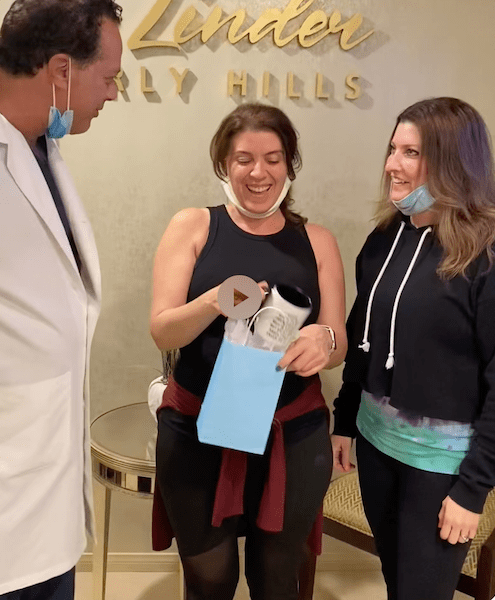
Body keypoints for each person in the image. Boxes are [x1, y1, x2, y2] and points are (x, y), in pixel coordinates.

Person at [150, 103, 347, 600]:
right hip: (198, 430)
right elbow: (163, 332)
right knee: (210, 580)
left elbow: (339, 341)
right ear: (223, 164)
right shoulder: (193, 226)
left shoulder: (317, 241)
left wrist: (323, 342)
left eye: (273, 158)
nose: (258, 172)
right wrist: (216, 301)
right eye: (244, 159)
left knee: (276, 580)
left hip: (293, 433)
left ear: (289, 165)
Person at [332, 97, 495, 600]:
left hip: (442, 468)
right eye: (392, 149)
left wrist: (472, 491)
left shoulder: (486, 255)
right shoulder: (385, 237)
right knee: (396, 582)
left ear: (452, 162)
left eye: (410, 152)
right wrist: (343, 419)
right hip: (377, 446)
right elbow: (363, 337)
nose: (391, 165)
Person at [0, 1, 122, 598]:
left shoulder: (40, 149)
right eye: (109, 78)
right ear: (62, 70)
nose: (114, 94)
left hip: (44, 483)